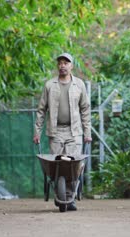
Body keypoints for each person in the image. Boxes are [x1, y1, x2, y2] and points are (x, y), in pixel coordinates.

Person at [33, 52, 92, 211]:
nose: (62, 65)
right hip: (56, 132)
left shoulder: (79, 85)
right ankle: (60, 196)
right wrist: (37, 131)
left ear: (71, 66)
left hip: (74, 132)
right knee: (57, 165)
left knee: (73, 166)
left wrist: (87, 132)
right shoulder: (49, 85)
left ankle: (69, 198)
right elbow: (41, 110)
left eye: (66, 63)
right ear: (57, 66)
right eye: (60, 63)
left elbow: (85, 110)